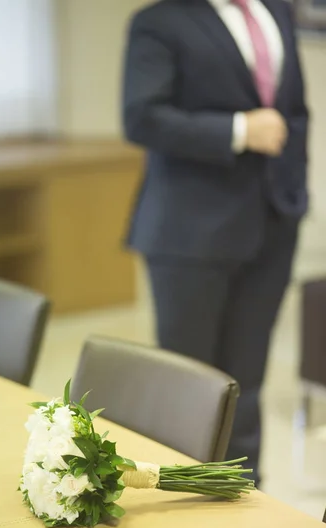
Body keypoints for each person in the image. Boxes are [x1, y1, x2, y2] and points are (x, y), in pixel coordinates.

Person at [122, 0, 309, 485]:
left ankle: (243, 493)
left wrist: (295, 194)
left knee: (247, 382)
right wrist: (239, 130)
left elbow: (295, 113)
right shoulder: (160, 21)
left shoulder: (277, 11)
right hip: (189, 232)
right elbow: (141, 117)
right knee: (190, 386)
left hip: (272, 223)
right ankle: (185, 498)